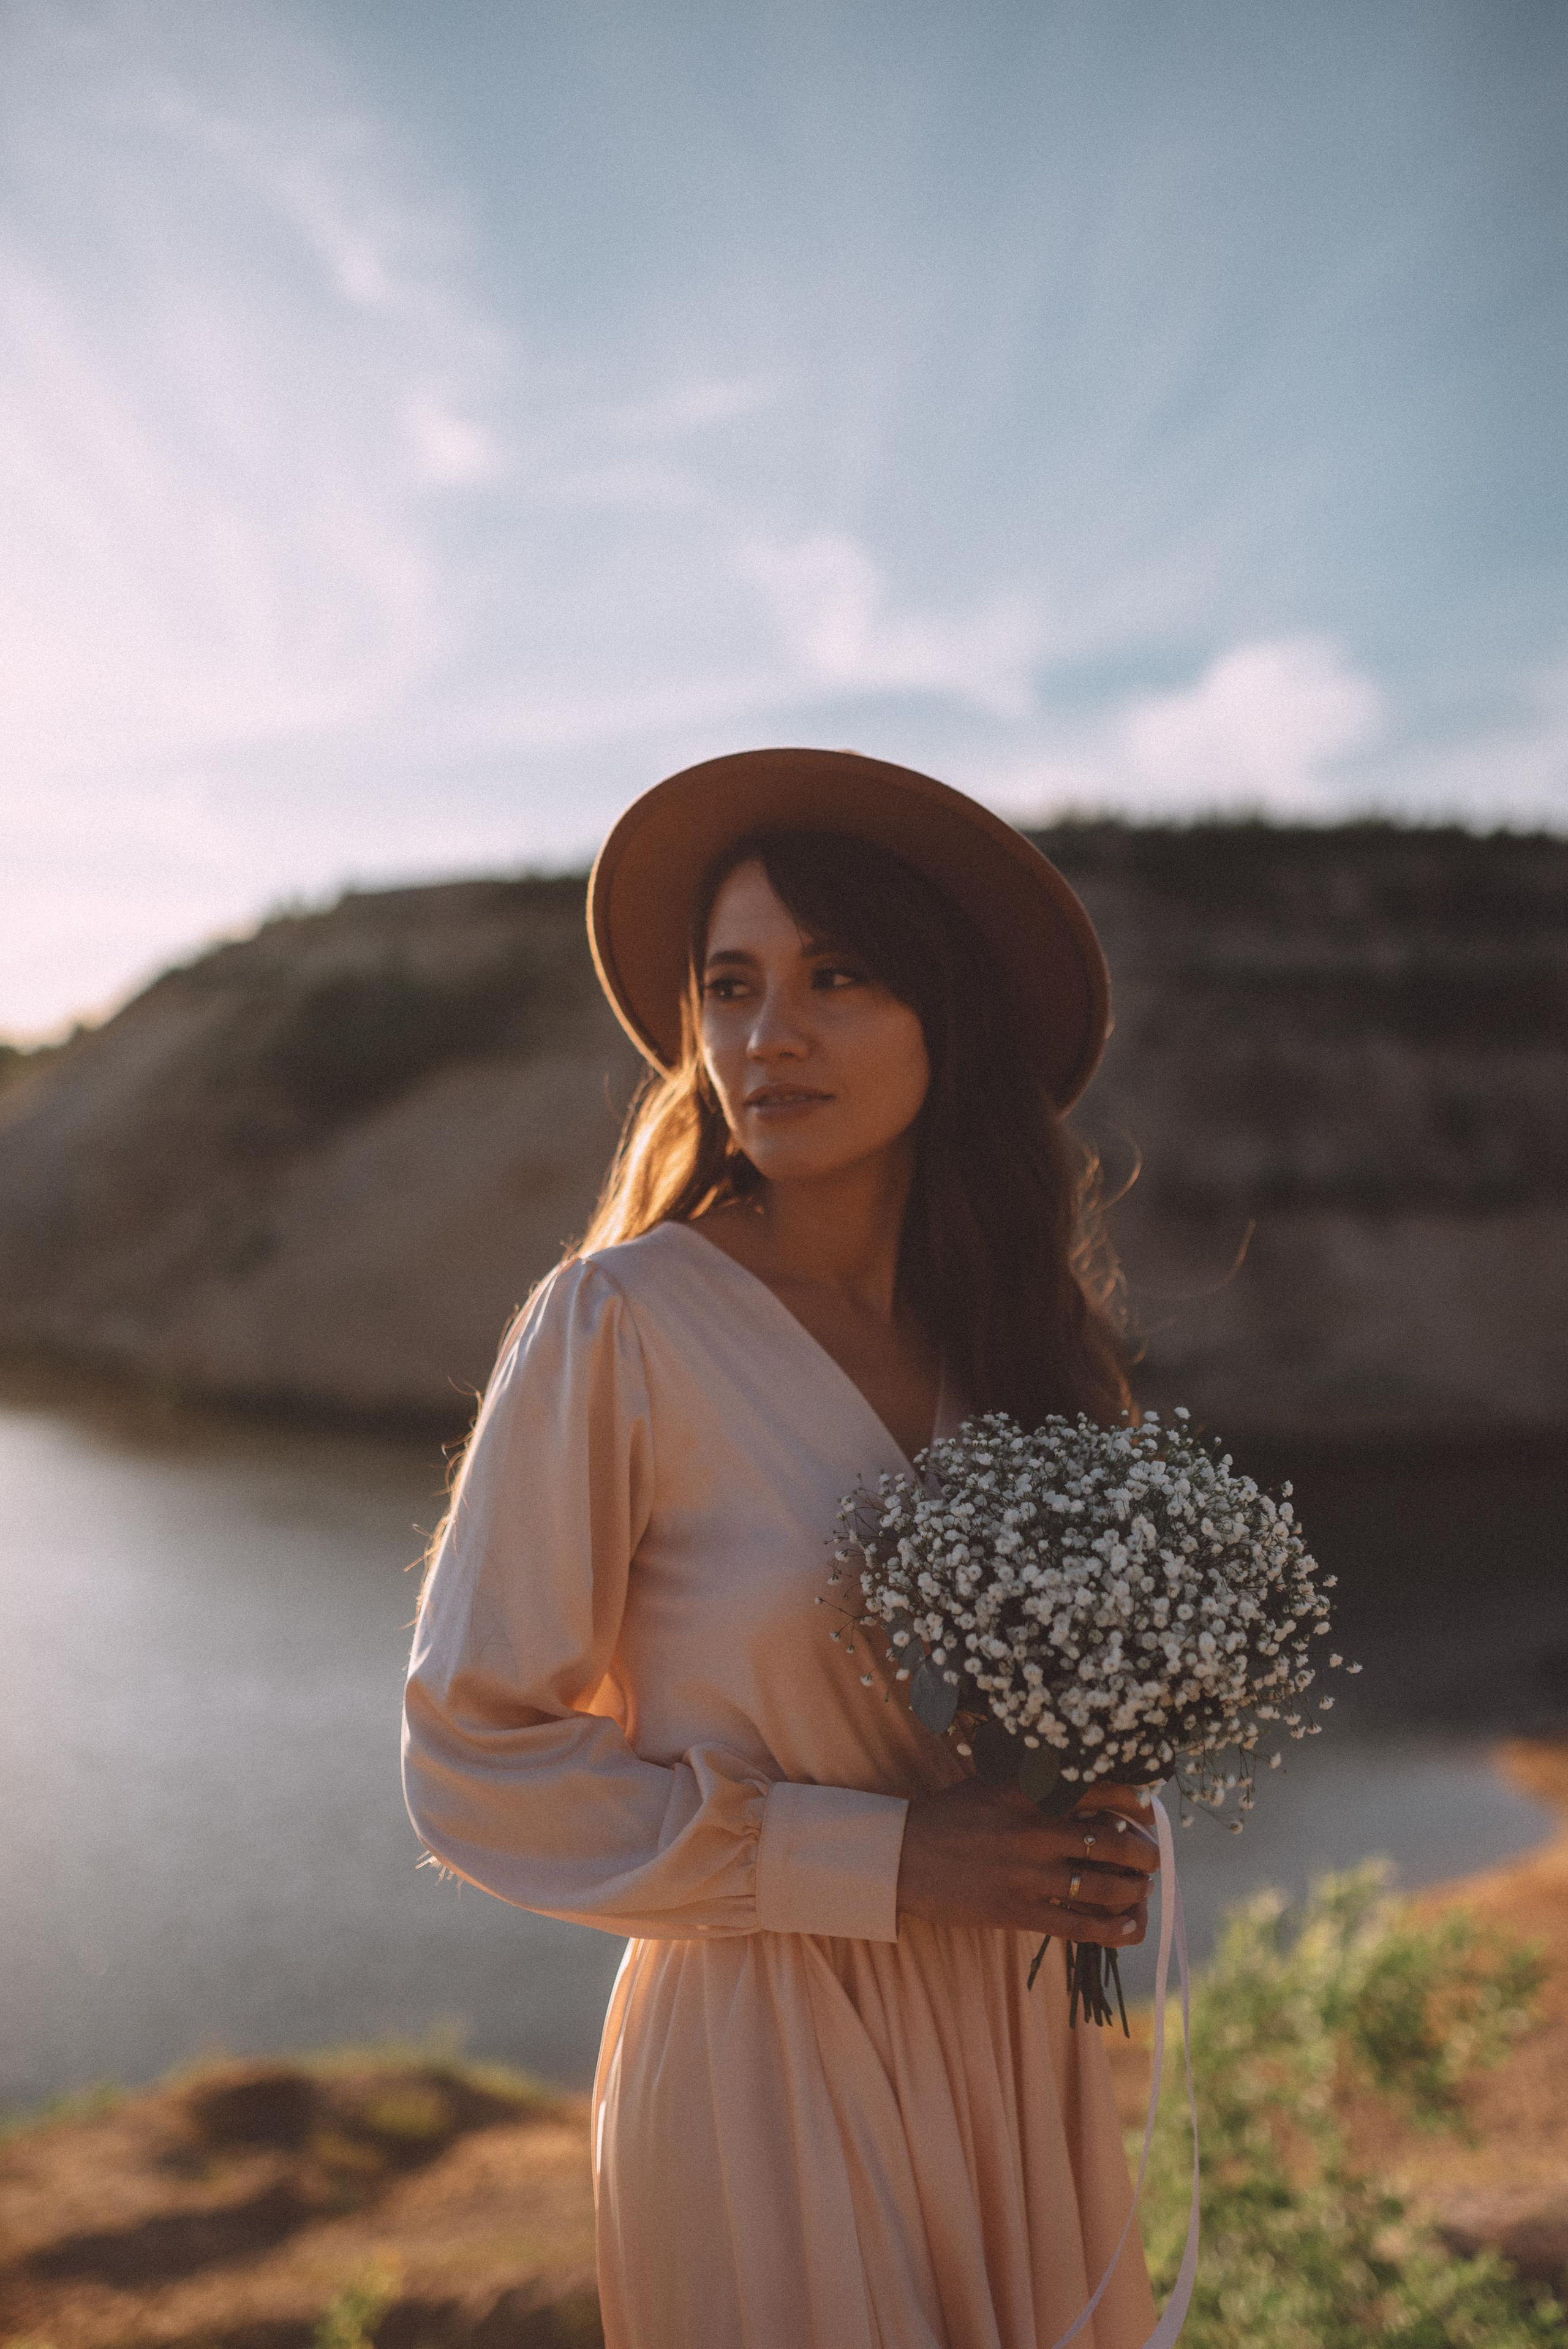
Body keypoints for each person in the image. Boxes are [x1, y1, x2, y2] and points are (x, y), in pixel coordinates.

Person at [403, 747, 1162, 2349]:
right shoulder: (617, 1323)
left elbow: (1056, 1717)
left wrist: (1099, 1819)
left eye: (839, 976)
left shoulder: (1015, 1352)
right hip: (763, 2066)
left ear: (948, 1019)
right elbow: (471, 1760)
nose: (769, 1036)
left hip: (1012, 2053)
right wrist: (876, 1859)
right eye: (731, 986)